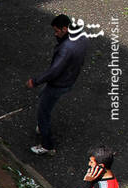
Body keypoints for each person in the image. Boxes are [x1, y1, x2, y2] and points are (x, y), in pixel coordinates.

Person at [26, 14, 87, 156]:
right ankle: (43, 130)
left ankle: (47, 145)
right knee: (45, 98)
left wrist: (35, 81)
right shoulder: (81, 36)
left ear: (65, 29)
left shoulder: (66, 49)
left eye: (57, 31)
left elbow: (54, 71)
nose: (55, 34)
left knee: (43, 112)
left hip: (59, 83)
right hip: (70, 79)